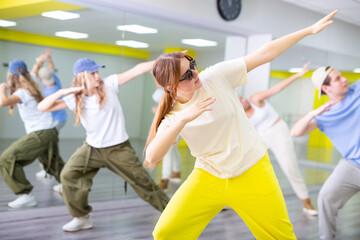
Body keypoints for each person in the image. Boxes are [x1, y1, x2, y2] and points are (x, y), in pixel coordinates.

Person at [144, 11, 337, 240]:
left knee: (281, 236)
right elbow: (152, 156)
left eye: (192, 65)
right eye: (186, 75)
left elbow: (264, 53)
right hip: (208, 176)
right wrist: (185, 119)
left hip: (252, 170)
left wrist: (307, 31)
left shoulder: (215, 77)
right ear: (171, 88)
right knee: (166, 232)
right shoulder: (174, 116)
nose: (195, 73)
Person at [38, 57, 169, 232]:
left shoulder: (109, 84)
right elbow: (43, 107)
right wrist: (62, 92)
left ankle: (173, 213)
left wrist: (166, 59)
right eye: (92, 73)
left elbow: (138, 69)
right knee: (68, 175)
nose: (97, 75)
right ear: (81, 76)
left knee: (144, 183)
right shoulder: (74, 98)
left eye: (97, 71)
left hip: (118, 148)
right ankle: (82, 217)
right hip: (91, 148)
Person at [238, 61, 318, 216]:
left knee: (290, 167)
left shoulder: (255, 99)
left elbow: (276, 89)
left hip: (278, 131)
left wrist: (298, 75)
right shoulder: (240, 116)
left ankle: (306, 202)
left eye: (241, 97)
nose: (243, 100)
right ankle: (234, 199)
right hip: (261, 137)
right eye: (239, 100)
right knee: (243, 165)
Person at [291, 65, 360, 239]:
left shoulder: (357, 89)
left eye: (341, 76)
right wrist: (313, 113)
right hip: (352, 165)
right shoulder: (324, 115)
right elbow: (295, 132)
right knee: (326, 197)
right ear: (326, 88)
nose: (344, 79)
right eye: (338, 79)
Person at [0, 59, 64, 208]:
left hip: (40, 133)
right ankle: (69, 185)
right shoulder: (32, 82)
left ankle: (25, 194)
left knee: (6, 159)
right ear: (26, 73)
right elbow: (35, 70)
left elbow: (3, 102)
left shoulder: (22, 92)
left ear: (11, 76)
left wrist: (2, 88)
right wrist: (40, 62)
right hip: (50, 130)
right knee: (52, 163)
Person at [31, 48, 67, 180]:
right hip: (59, 120)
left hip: (56, 121)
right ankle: (48, 169)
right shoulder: (55, 80)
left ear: (40, 79)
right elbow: (51, 68)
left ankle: (49, 170)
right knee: (49, 145)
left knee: (47, 145)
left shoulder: (49, 94)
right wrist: (48, 58)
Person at [152, 88, 182, 191]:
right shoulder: (162, 87)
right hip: (167, 121)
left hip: (177, 121)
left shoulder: (178, 86)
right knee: (173, 149)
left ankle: (165, 179)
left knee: (169, 149)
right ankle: (176, 172)